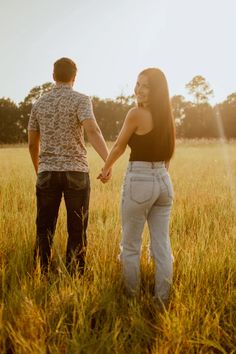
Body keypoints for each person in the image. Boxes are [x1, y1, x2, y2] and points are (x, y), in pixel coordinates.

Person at [98, 68, 175, 306]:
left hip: (139, 180)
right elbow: (168, 153)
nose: (138, 90)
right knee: (161, 244)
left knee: (130, 245)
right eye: (137, 84)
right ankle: (162, 298)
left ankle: (131, 298)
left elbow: (120, 146)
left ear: (156, 91)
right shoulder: (167, 117)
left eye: (145, 86)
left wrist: (106, 168)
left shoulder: (135, 114)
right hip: (164, 181)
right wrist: (159, 176)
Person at [28, 57, 111, 274]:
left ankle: (42, 271)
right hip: (76, 171)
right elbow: (93, 131)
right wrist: (107, 162)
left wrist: (41, 169)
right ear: (74, 77)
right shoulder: (81, 100)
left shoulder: (39, 104)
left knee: (44, 227)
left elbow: (31, 143)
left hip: (47, 172)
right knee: (77, 228)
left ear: (53, 76)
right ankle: (75, 274)